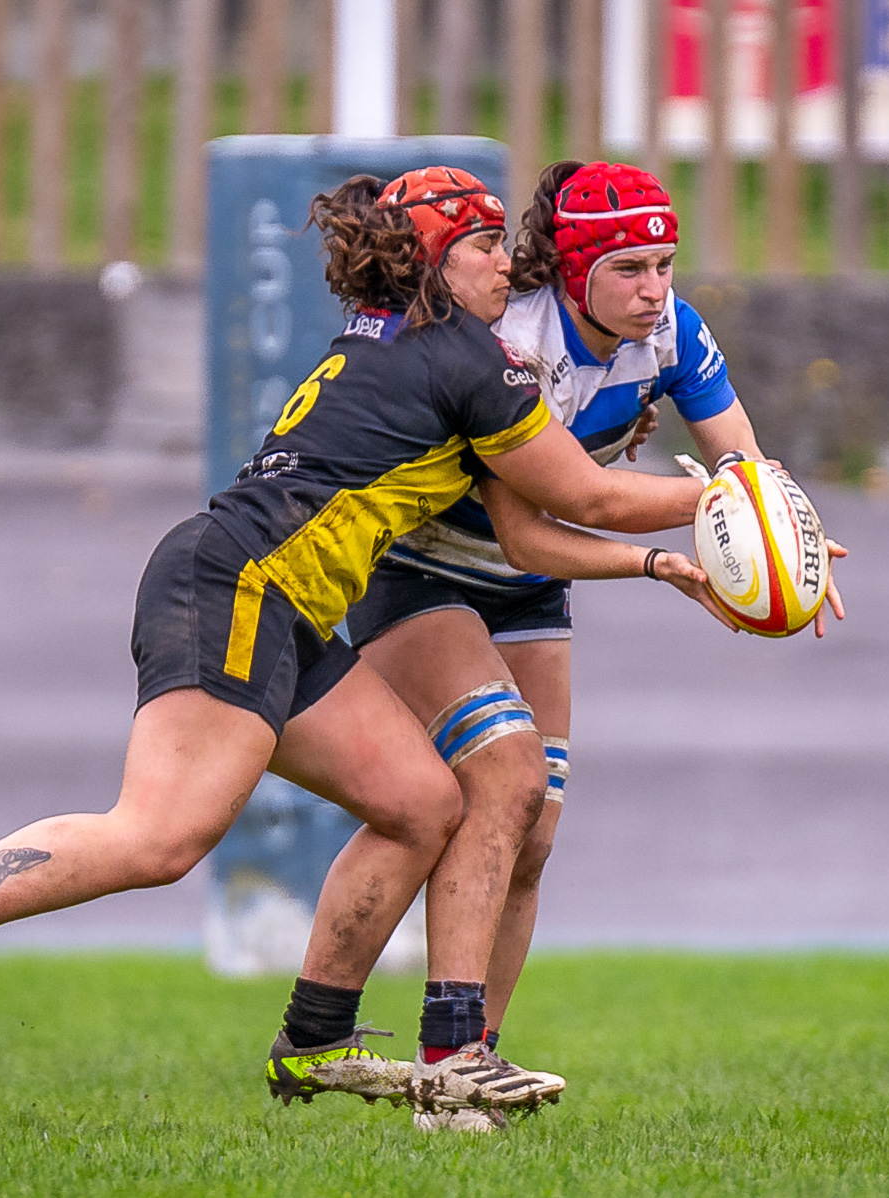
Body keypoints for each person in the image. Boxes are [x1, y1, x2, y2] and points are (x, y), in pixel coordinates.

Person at [0, 165, 722, 1123]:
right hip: (234, 586)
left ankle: (317, 1040)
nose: (508, 264)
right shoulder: (467, 357)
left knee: (420, 803)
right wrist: (731, 497)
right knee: (160, 838)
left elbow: (546, 517)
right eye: (486, 247)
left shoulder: (406, 339)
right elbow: (585, 497)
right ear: (435, 262)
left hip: (275, 600)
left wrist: (664, 548)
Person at [338, 161, 847, 1130]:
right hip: (426, 569)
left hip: (531, 586)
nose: (656, 288)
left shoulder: (675, 334)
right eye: (631, 268)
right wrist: (673, 557)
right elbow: (543, 521)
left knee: (533, 834)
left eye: (665, 263)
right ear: (575, 273)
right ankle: (423, 1049)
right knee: (496, 781)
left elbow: (746, 467)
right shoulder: (511, 342)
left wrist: (794, 544)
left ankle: (466, 1078)